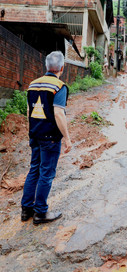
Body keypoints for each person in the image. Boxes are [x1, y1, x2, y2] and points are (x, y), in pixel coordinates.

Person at [21, 51, 72, 225]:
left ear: (46, 66)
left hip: (35, 134)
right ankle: (40, 212)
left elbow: (29, 111)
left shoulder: (32, 84)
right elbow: (58, 113)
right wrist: (67, 138)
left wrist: (34, 131)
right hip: (50, 137)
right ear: (62, 68)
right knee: (46, 173)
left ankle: (26, 209)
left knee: (34, 169)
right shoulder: (59, 86)